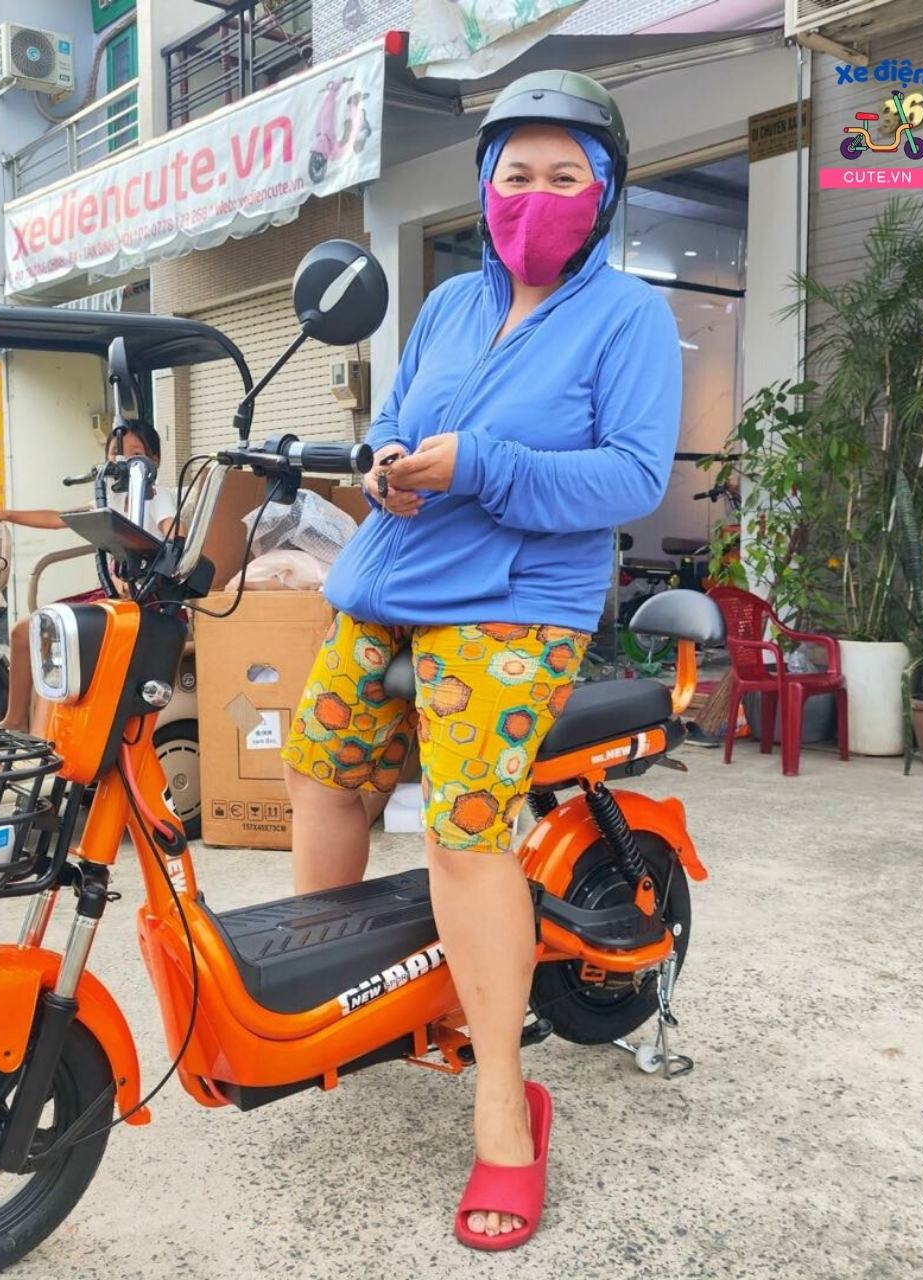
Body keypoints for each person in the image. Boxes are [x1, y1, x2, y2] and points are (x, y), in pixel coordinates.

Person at [280, 71, 681, 1250]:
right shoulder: (450, 304)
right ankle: (345, 999)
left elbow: (630, 476)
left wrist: (481, 466)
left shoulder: (627, 318)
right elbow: (395, 420)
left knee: (461, 829)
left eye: (563, 176)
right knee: (319, 770)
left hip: (514, 605)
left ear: (602, 194)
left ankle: (503, 1101)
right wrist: (386, 464)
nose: (534, 196)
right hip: (390, 578)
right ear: (483, 184)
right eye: (515, 174)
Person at [0, 420, 176, 733]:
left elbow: (174, 535)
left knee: (58, 638)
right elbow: (58, 518)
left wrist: (154, 564)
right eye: (116, 454)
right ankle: (16, 718)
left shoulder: (157, 496)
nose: (124, 462)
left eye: (135, 454)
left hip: (149, 600)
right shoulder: (108, 500)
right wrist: (6, 514)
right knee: (22, 631)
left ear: (154, 461)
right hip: (113, 596)